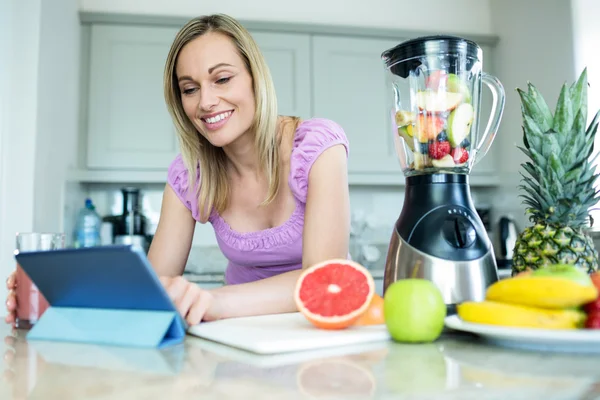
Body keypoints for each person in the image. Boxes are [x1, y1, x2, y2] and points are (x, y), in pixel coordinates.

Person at [4, 14, 351, 326]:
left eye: (223, 79)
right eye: (190, 89)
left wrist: (212, 299)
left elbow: (324, 280)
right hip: (244, 337)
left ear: (255, 79)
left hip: (321, 334)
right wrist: (62, 298)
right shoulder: (192, 176)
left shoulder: (317, 148)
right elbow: (151, 288)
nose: (206, 101)